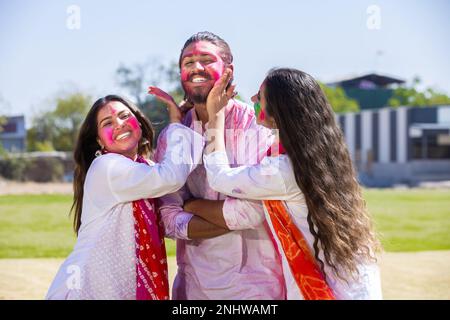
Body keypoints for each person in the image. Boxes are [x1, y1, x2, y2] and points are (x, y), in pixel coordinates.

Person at [195, 67, 383, 299]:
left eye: (260, 96)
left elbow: (219, 178)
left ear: (278, 111)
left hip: (328, 290)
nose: (252, 99)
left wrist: (216, 118)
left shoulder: (283, 170)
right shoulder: (319, 156)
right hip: (354, 282)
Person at [150, 32, 285, 299]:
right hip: (194, 288)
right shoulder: (174, 136)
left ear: (228, 69)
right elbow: (166, 220)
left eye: (206, 59)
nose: (196, 68)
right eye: (188, 62)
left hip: (257, 288)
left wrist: (190, 205)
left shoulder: (256, 126)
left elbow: (255, 212)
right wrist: (232, 217)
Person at [46, 94, 203, 300]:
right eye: (107, 123)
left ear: (137, 121)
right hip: (86, 289)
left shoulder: (144, 170)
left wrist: (189, 118)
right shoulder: (107, 167)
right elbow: (171, 177)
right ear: (98, 139)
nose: (119, 124)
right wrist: (175, 123)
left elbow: (174, 176)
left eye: (124, 116)